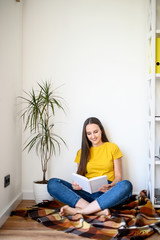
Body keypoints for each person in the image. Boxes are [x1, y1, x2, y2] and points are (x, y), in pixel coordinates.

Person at [47, 117, 133, 217]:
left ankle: (79, 211)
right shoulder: (81, 152)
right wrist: (75, 185)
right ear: (86, 135)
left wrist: (112, 185)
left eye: (95, 132)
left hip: (107, 193)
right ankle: (97, 211)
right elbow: (79, 177)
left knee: (126, 185)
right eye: (89, 133)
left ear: (101, 130)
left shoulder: (112, 147)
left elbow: (118, 176)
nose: (93, 136)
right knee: (52, 184)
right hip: (86, 193)